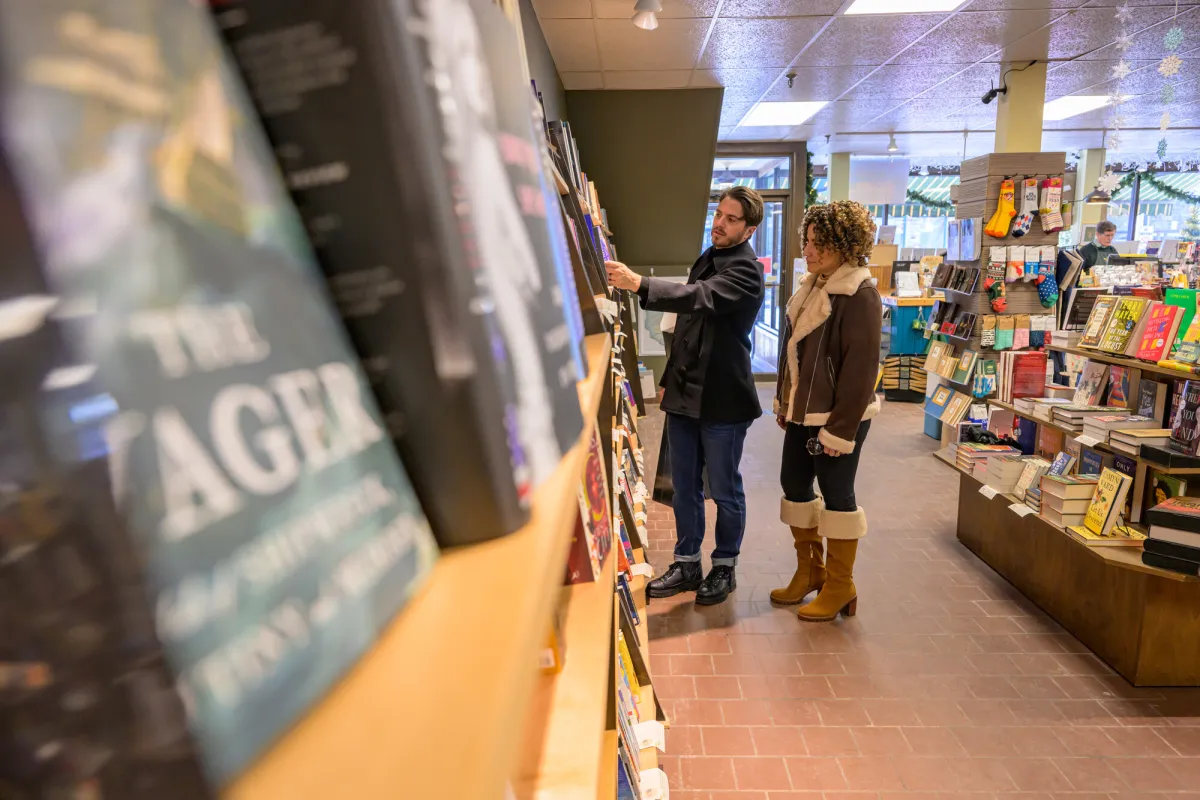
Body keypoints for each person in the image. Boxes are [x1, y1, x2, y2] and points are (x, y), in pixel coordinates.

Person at [605, 186, 766, 606]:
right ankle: (687, 562)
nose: (720, 222)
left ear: (749, 230)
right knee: (684, 487)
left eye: (732, 219)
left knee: (726, 490)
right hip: (686, 393)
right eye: (719, 213)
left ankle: (725, 567)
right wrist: (669, 378)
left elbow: (700, 299)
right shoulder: (708, 257)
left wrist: (639, 283)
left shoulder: (746, 270)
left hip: (724, 399)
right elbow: (688, 327)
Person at [772, 201, 881, 622]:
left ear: (847, 245)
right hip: (804, 412)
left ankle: (840, 585)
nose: (809, 250)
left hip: (838, 419)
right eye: (807, 241)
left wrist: (839, 432)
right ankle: (811, 571)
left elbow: (860, 370)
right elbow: (794, 355)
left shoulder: (859, 293)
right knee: (794, 484)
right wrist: (786, 403)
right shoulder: (813, 285)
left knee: (837, 495)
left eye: (820, 244)